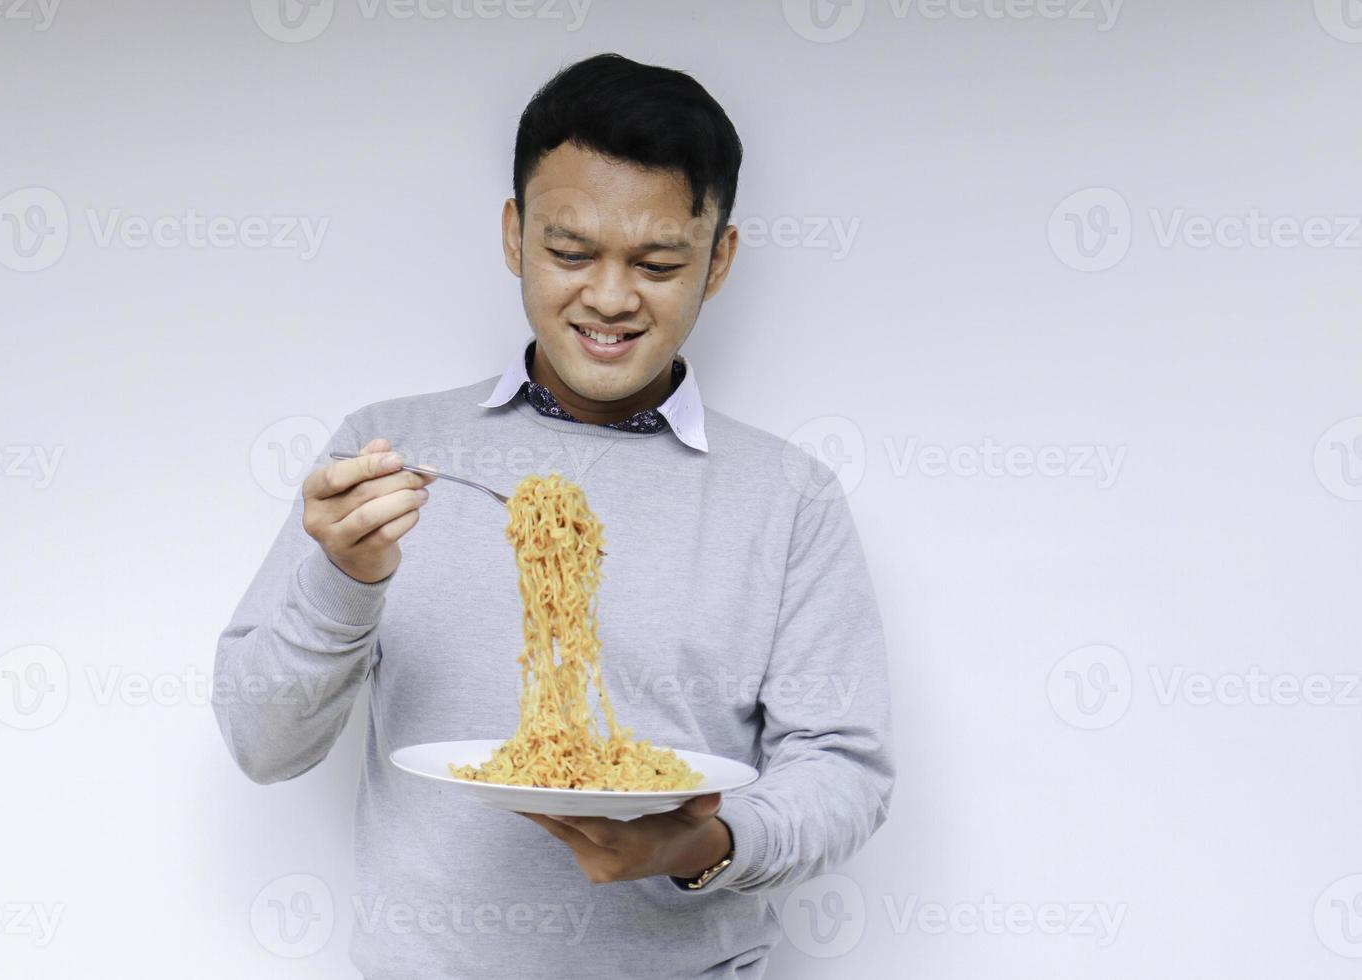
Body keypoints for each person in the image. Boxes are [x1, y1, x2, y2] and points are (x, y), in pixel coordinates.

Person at [213, 52, 894, 979]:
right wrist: (344, 580)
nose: (610, 298)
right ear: (514, 235)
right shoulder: (387, 450)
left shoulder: (789, 497)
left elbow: (842, 772)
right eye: (570, 253)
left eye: (657, 263)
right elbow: (263, 746)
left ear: (719, 259)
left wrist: (700, 846)